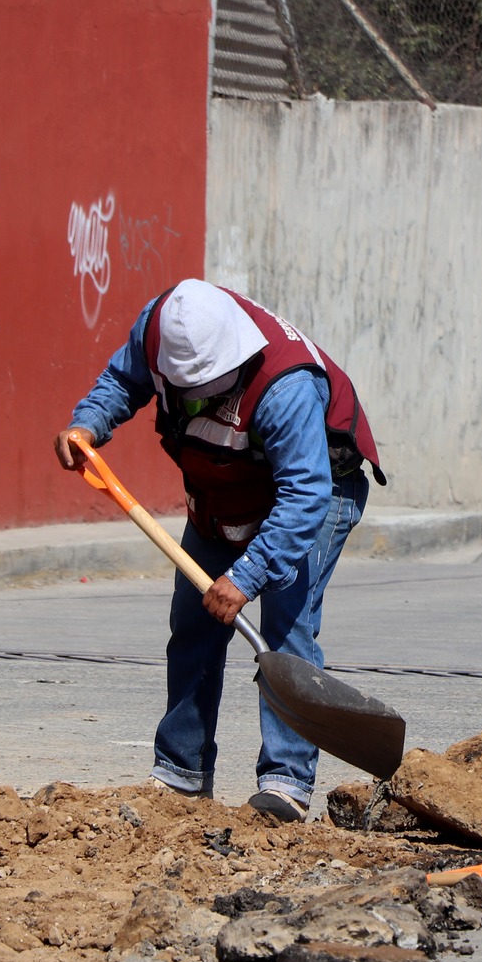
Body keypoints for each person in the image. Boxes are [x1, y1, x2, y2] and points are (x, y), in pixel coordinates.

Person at [54, 279, 383, 822]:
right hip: (225, 487)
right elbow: (121, 380)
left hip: (316, 492)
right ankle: (180, 774)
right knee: (194, 621)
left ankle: (285, 786)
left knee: (286, 628)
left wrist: (247, 574)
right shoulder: (162, 327)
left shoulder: (285, 387)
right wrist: (88, 422)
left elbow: (305, 496)